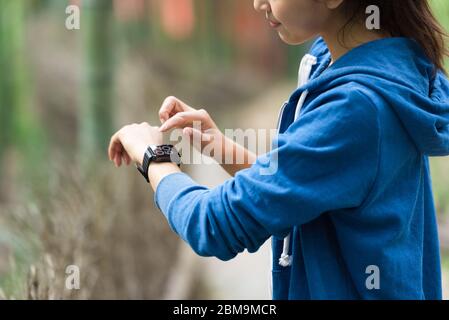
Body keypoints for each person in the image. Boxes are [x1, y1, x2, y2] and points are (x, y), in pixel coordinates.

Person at [108, 0, 449, 299]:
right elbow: (310, 188)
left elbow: (214, 224)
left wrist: (155, 157)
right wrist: (221, 148)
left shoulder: (355, 107)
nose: (258, 4)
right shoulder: (382, 69)